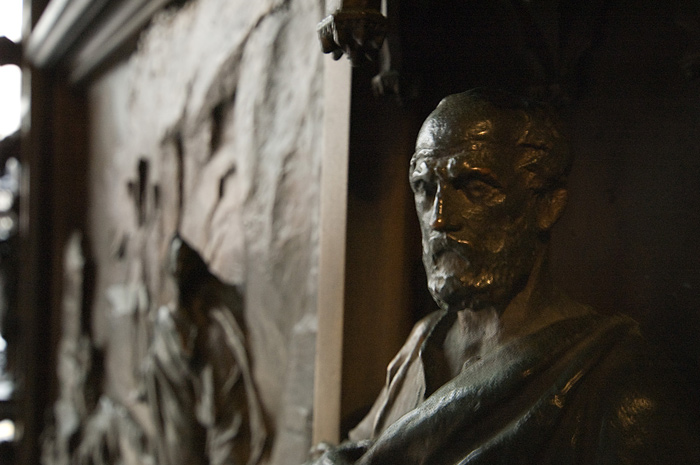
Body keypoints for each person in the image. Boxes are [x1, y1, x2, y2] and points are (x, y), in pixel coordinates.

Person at [308, 88, 700, 464]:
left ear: (547, 204)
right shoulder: (422, 343)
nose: (440, 219)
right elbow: (351, 451)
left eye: (474, 187)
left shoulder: (615, 384)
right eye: (425, 189)